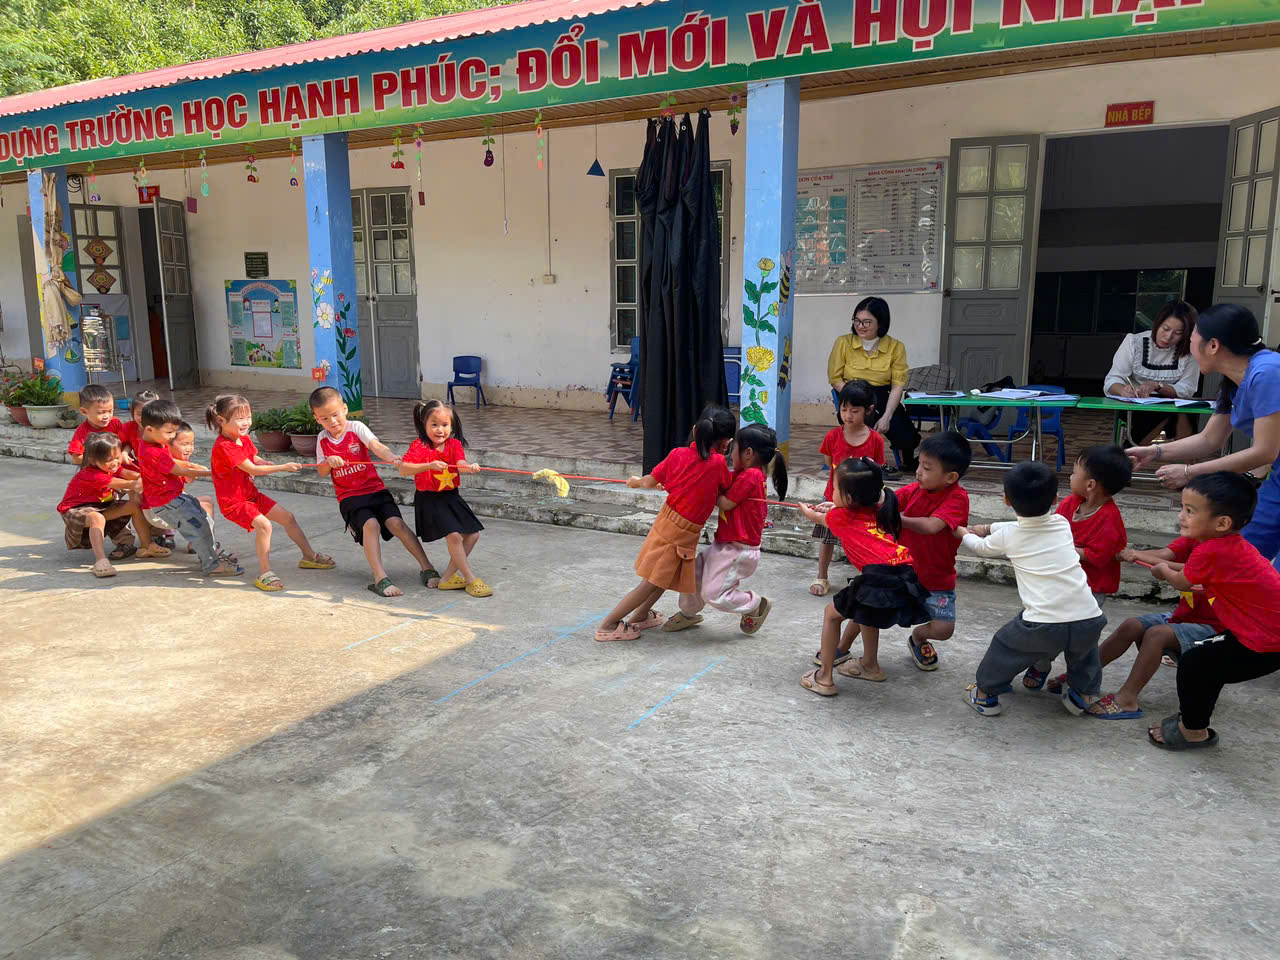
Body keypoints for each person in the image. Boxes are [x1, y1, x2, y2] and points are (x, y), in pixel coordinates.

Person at [1127, 304, 1280, 567]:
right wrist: (1155, 451)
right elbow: (1210, 439)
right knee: (1241, 557)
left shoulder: (1267, 372)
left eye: (1191, 340)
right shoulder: (1234, 381)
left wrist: (1189, 473)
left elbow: (1265, 451)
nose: (1188, 347)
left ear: (1213, 345)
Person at [956, 461, 1107, 717]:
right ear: (1055, 499)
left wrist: (965, 533)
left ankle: (984, 694)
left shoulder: (1009, 537)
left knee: (1005, 646)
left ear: (1006, 500)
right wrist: (989, 527)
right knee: (1085, 656)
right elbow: (1022, 525)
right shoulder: (1062, 523)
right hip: (1089, 616)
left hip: (1043, 623)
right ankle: (1083, 694)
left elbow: (982, 547)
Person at [1145, 473, 1280, 750]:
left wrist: (1163, 570)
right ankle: (1193, 721)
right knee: (1205, 661)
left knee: (1195, 665)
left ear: (1222, 523)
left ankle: (1194, 731)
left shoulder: (1210, 552)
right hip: (1260, 634)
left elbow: (1181, 582)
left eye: (1190, 511)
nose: (1181, 516)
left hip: (1265, 642)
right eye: (1183, 508)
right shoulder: (1233, 546)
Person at [595, 404, 736, 643]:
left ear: (696, 430)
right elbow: (722, 490)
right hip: (681, 532)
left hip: (669, 521)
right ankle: (608, 625)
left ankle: (640, 616)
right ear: (726, 443)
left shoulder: (677, 454)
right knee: (650, 582)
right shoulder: (718, 464)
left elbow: (650, 482)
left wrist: (635, 482)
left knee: (664, 578)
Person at [1048, 535, 1227, 721]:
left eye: (1192, 516)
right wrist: (1132, 554)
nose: (1183, 519)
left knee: (1156, 635)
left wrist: (1158, 565)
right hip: (1184, 618)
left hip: (1217, 630)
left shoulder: (1229, 551)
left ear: (1222, 522)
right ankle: (1082, 676)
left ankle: (1127, 699)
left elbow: (1190, 570)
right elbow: (1164, 554)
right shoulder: (1194, 539)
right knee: (1132, 625)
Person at [796, 458, 931, 696]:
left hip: (879, 577)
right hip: (904, 573)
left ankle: (824, 679)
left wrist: (806, 510)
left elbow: (816, 518)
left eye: (835, 489)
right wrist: (835, 505)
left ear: (849, 498)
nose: (832, 492)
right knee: (866, 614)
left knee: (831, 615)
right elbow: (847, 512)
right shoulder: (879, 506)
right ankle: (870, 666)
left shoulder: (841, 518)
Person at [310, 386, 439, 598]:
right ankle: (380, 578)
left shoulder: (356, 428)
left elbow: (376, 446)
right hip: (350, 497)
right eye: (324, 418)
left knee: (396, 523)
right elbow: (321, 471)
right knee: (371, 524)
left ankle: (427, 566)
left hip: (375, 489)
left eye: (335, 414)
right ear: (317, 418)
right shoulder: (322, 439)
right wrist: (328, 462)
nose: (332, 421)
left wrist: (392, 457)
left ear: (345, 409)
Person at [1022, 445, 1132, 690]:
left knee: (1080, 636)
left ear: (1090, 484)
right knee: (1045, 625)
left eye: (1074, 473)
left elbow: (1098, 556)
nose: (1069, 477)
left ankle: (1078, 679)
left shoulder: (1109, 518)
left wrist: (1063, 548)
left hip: (1091, 590)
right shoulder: (1070, 503)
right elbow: (1053, 529)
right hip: (1061, 582)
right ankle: (1040, 664)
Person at [663, 423, 788, 635]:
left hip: (739, 550)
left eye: (734, 449)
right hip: (724, 544)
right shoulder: (742, 473)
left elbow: (726, 502)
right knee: (693, 575)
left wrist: (701, 490)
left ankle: (754, 604)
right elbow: (720, 482)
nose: (730, 455)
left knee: (714, 593)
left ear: (748, 453)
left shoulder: (752, 476)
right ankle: (688, 613)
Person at [207, 394, 334, 593]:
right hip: (234, 503)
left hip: (251, 496)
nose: (246, 422)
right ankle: (265, 573)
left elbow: (253, 458)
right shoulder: (225, 446)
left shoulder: (242, 439)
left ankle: (309, 556)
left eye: (248, 417)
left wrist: (263, 462)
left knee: (287, 518)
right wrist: (282, 467)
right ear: (221, 420)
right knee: (264, 525)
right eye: (240, 418)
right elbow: (251, 469)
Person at [136, 399, 241, 577]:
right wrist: (214, 472)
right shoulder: (153, 451)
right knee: (197, 528)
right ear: (149, 429)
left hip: (175, 497)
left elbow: (173, 462)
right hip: (168, 502)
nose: (172, 437)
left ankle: (211, 555)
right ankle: (211, 565)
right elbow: (180, 470)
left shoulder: (153, 443)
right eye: (169, 432)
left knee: (205, 520)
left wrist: (193, 465)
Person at [896, 431, 972, 672]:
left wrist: (898, 519)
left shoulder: (957, 498)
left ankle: (918, 637)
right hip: (902, 572)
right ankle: (845, 648)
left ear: (951, 477)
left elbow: (931, 526)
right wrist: (851, 501)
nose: (918, 472)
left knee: (944, 629)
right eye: (919, 464)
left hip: (937, 578)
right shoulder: (914, 490)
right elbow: (885, 501)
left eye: (927, 468)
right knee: (869, 609)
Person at [399, 399, 491, 598]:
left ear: (452, 426)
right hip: (429, 498)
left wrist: (470, 467)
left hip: (450, 497)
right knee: (454, 536)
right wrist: (429, 465)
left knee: (473, 535)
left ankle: (448, 577)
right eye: (434, 424)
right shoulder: (419, 446)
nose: (440, 430)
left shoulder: (454, 444)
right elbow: (404, 469)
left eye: (444, 425)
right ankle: (470, 579)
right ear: (424, 424)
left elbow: (461, 463)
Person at [826, 296, 920, 470]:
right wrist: (854, 397)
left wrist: (887, 416)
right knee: (859, 420)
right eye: (857, 321)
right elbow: (835, 378)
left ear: (880, 323)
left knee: (904, 430)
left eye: (867, 322)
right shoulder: (843, 342)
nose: (860, 326)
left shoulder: (895, 347)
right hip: (852, 395)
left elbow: (897, 385)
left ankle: (905, 460)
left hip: (882, 396)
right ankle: (862, 461)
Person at [810, 379, 884, 597]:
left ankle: (867, 578)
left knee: (864, 540)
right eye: (844, 409)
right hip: (833, 498)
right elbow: (828, 461)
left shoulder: (875, 440)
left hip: (863, 502)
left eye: (855, 410)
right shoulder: (833, 436)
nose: (848, 415)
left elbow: (876, 470)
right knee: (828, 538)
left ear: (868, 410)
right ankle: (821, 576)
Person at [57, 432, 169, 577]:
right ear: (92, 460)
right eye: (109, 460)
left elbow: (132, 475)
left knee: (134, 506)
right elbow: (126, 483)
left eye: (117, 457)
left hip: (101, 506)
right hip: (76, 510)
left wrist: (154, 476)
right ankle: (101, 560)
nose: (115, 463)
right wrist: (138, 483)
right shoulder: (90, 474)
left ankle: (146, 546)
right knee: (97, 518)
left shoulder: (114, 468)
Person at [1104, 299, 1200, 443]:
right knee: (1166, 414)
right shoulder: (1134, 342)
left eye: (1178, 333)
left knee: (1180, 411)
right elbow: (1113, 379)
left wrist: (1157, 386)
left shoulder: (1189, 351)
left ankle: (1132, 449)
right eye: (1165, 329)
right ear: (1157, 323)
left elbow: (1187, 388)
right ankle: (1134, 449)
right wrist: (1123, 390)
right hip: (1136, 406)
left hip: (1171, 405)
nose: (1168, 337)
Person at [67, 383, 125, 465]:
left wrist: (124, 454)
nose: (107, 416)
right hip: (96, 469)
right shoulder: (82, 432)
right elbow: (76, 458)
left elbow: (126, 443)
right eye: (101, 412)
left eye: (110, 411)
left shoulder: (115, 423)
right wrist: (101, 461)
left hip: (118, 465)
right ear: (84, 411)